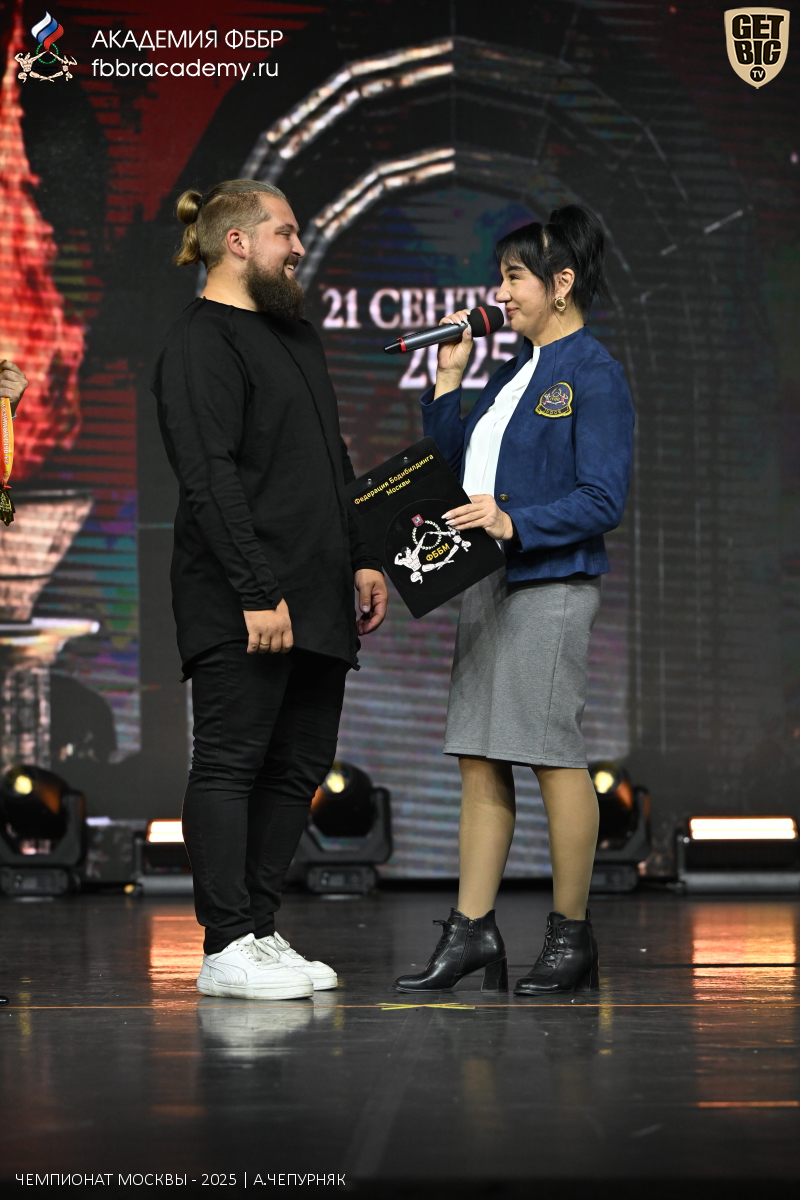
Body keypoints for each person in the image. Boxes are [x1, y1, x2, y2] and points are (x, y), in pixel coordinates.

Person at [151, 180, 388, 1001]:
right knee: (231, 762)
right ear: (237, 242)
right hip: (242, 597)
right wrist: (257, 591)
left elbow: (331, 455)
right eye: (285, 232)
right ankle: (224, 943)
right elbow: (208, 475)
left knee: (297, 768)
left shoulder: (295, 336)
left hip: (317, 593)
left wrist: (363, 554)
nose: (298, 247)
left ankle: (257, 926)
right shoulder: (199, 341)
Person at [394, 206, 634, 995]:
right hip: (487, 582)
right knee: (478, 755)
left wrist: (513, 520)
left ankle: (572, 936)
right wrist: (449, 383)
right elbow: (451, 470)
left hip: (549, 585)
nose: (499, 293)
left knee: (551, 755)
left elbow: (602, 497)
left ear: (562, 283)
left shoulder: (593, 371)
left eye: (514, 277)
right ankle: (472, 933)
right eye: (501, 277)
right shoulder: (510, 371)